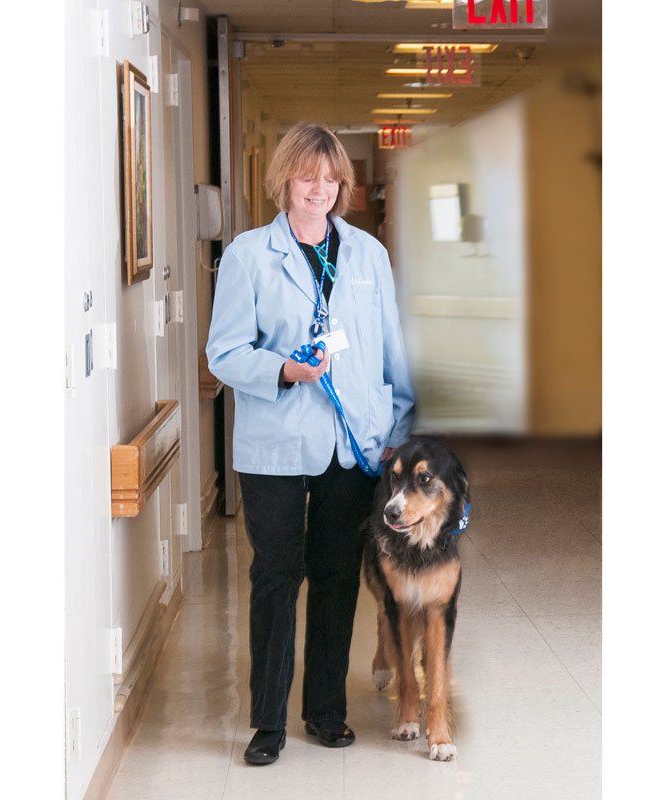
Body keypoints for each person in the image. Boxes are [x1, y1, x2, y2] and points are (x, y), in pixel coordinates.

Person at [206, 122, 414, 765]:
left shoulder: (367, 255)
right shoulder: (247, 254)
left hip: (354, 445)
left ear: (342, 186)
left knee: (335, 578)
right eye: (306, 176)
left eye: (330, 178)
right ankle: (267, 722)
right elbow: (223, 353)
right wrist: (283, 370)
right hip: (276, 443)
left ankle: (325, 711)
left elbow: (390, 351)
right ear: (284, 181)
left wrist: (396, 432)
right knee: (275, 576)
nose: (318, 188)